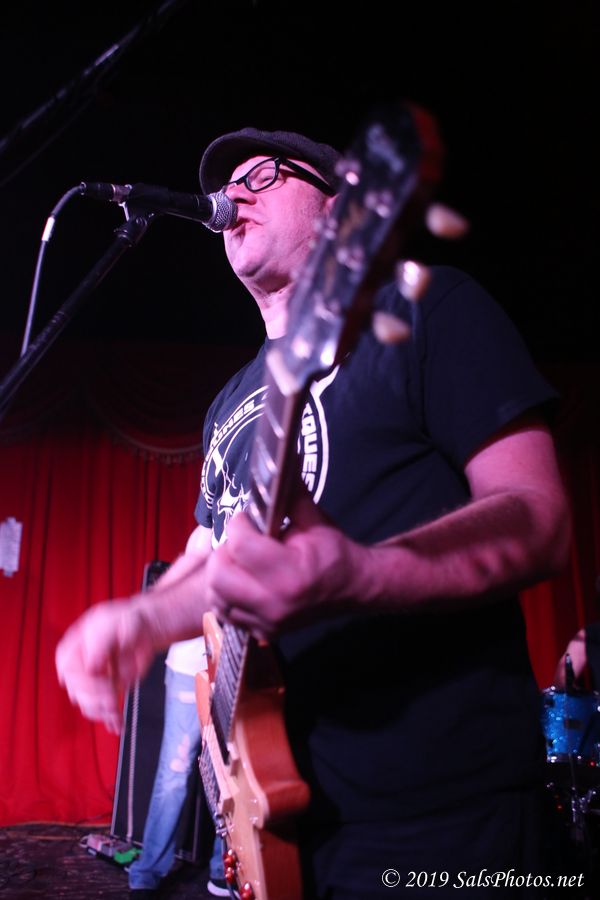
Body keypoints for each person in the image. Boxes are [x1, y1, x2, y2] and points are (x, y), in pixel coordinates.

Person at [56, 118, 573, 898]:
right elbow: (213, 558)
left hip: (443, 819)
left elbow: (537, 513)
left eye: (264, 174)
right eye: (226, 184)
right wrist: (141, 619)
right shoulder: (229, 402)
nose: (234, 193)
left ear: (339, 210)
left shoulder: (426, 308)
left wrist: (361, 573)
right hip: (286, 824)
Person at [127, 636, 226, 898]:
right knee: (175, 773)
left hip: (236, 672)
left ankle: (225, 869)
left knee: (230, 776)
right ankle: (146, 873)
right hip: (189, 669)